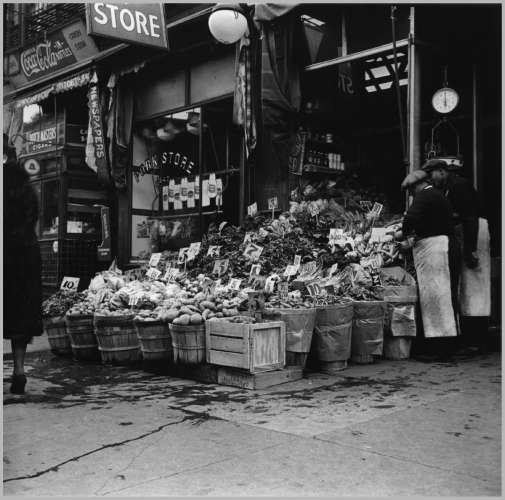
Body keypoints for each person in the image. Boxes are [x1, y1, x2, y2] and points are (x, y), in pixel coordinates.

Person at [422, 159, 490, 354]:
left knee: (475, 289)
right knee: (467, 290)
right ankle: (471, 338)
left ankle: (478, 341)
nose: (430, 179)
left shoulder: (458, 186)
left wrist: (470, 249)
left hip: (474, 234)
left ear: (442, 171)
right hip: (465, 233)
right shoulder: (448, 187)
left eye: (431, 174)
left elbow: (470, 217)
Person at [396, 169, 458, 360]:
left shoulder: (424, 196)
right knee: (443, 297)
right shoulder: (438, 195)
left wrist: (403, 234)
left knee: (433, 298)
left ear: (417, 185)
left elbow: (411, 218)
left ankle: (437, 350)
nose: (412, 194)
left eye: (411, 191)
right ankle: (447, 346)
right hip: (442, 247)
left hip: (432, 250)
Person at [3, 134, 43, 394]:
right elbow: (33, 220)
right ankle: (19, 370)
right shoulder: (28, 191)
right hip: (26, 257)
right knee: (20, 317)